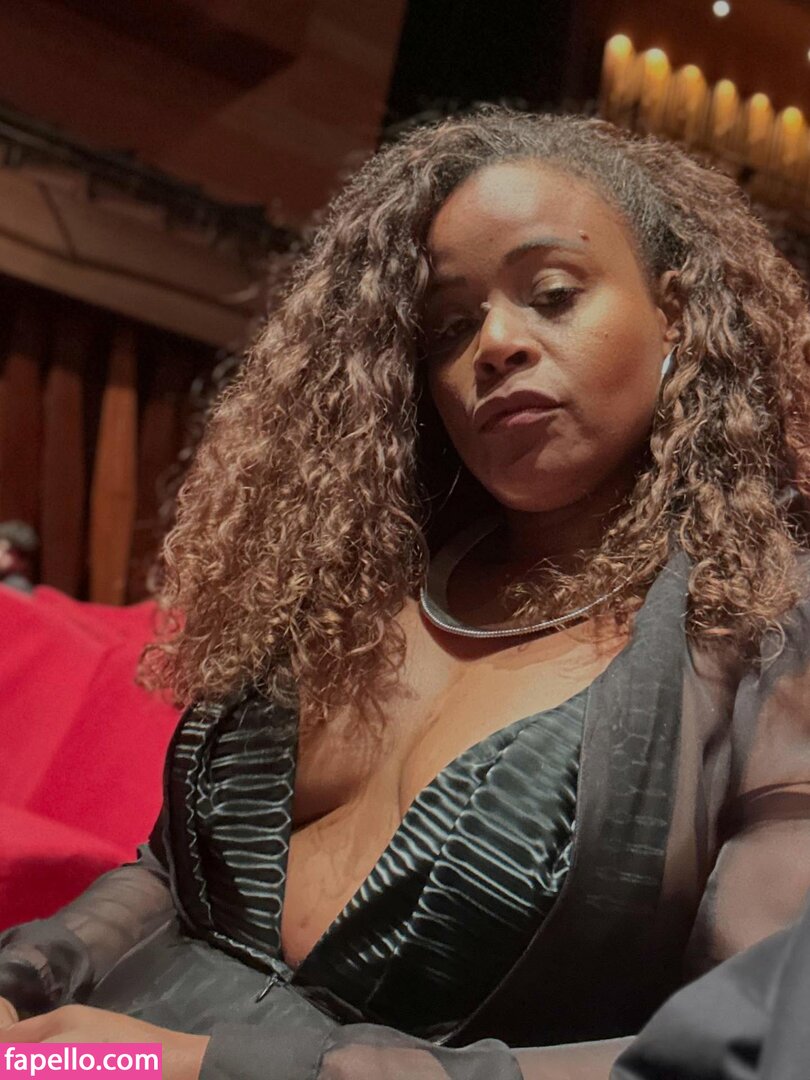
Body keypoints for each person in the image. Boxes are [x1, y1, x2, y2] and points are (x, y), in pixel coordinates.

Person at [1, 106, 810, 1079]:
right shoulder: (357, 582)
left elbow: (745, 1049)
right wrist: (29, 981)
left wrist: (206, 1065)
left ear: (675, 314)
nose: (495, 344)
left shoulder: (762, 635)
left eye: (553, 294)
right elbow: (173, 873)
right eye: (448, 327)